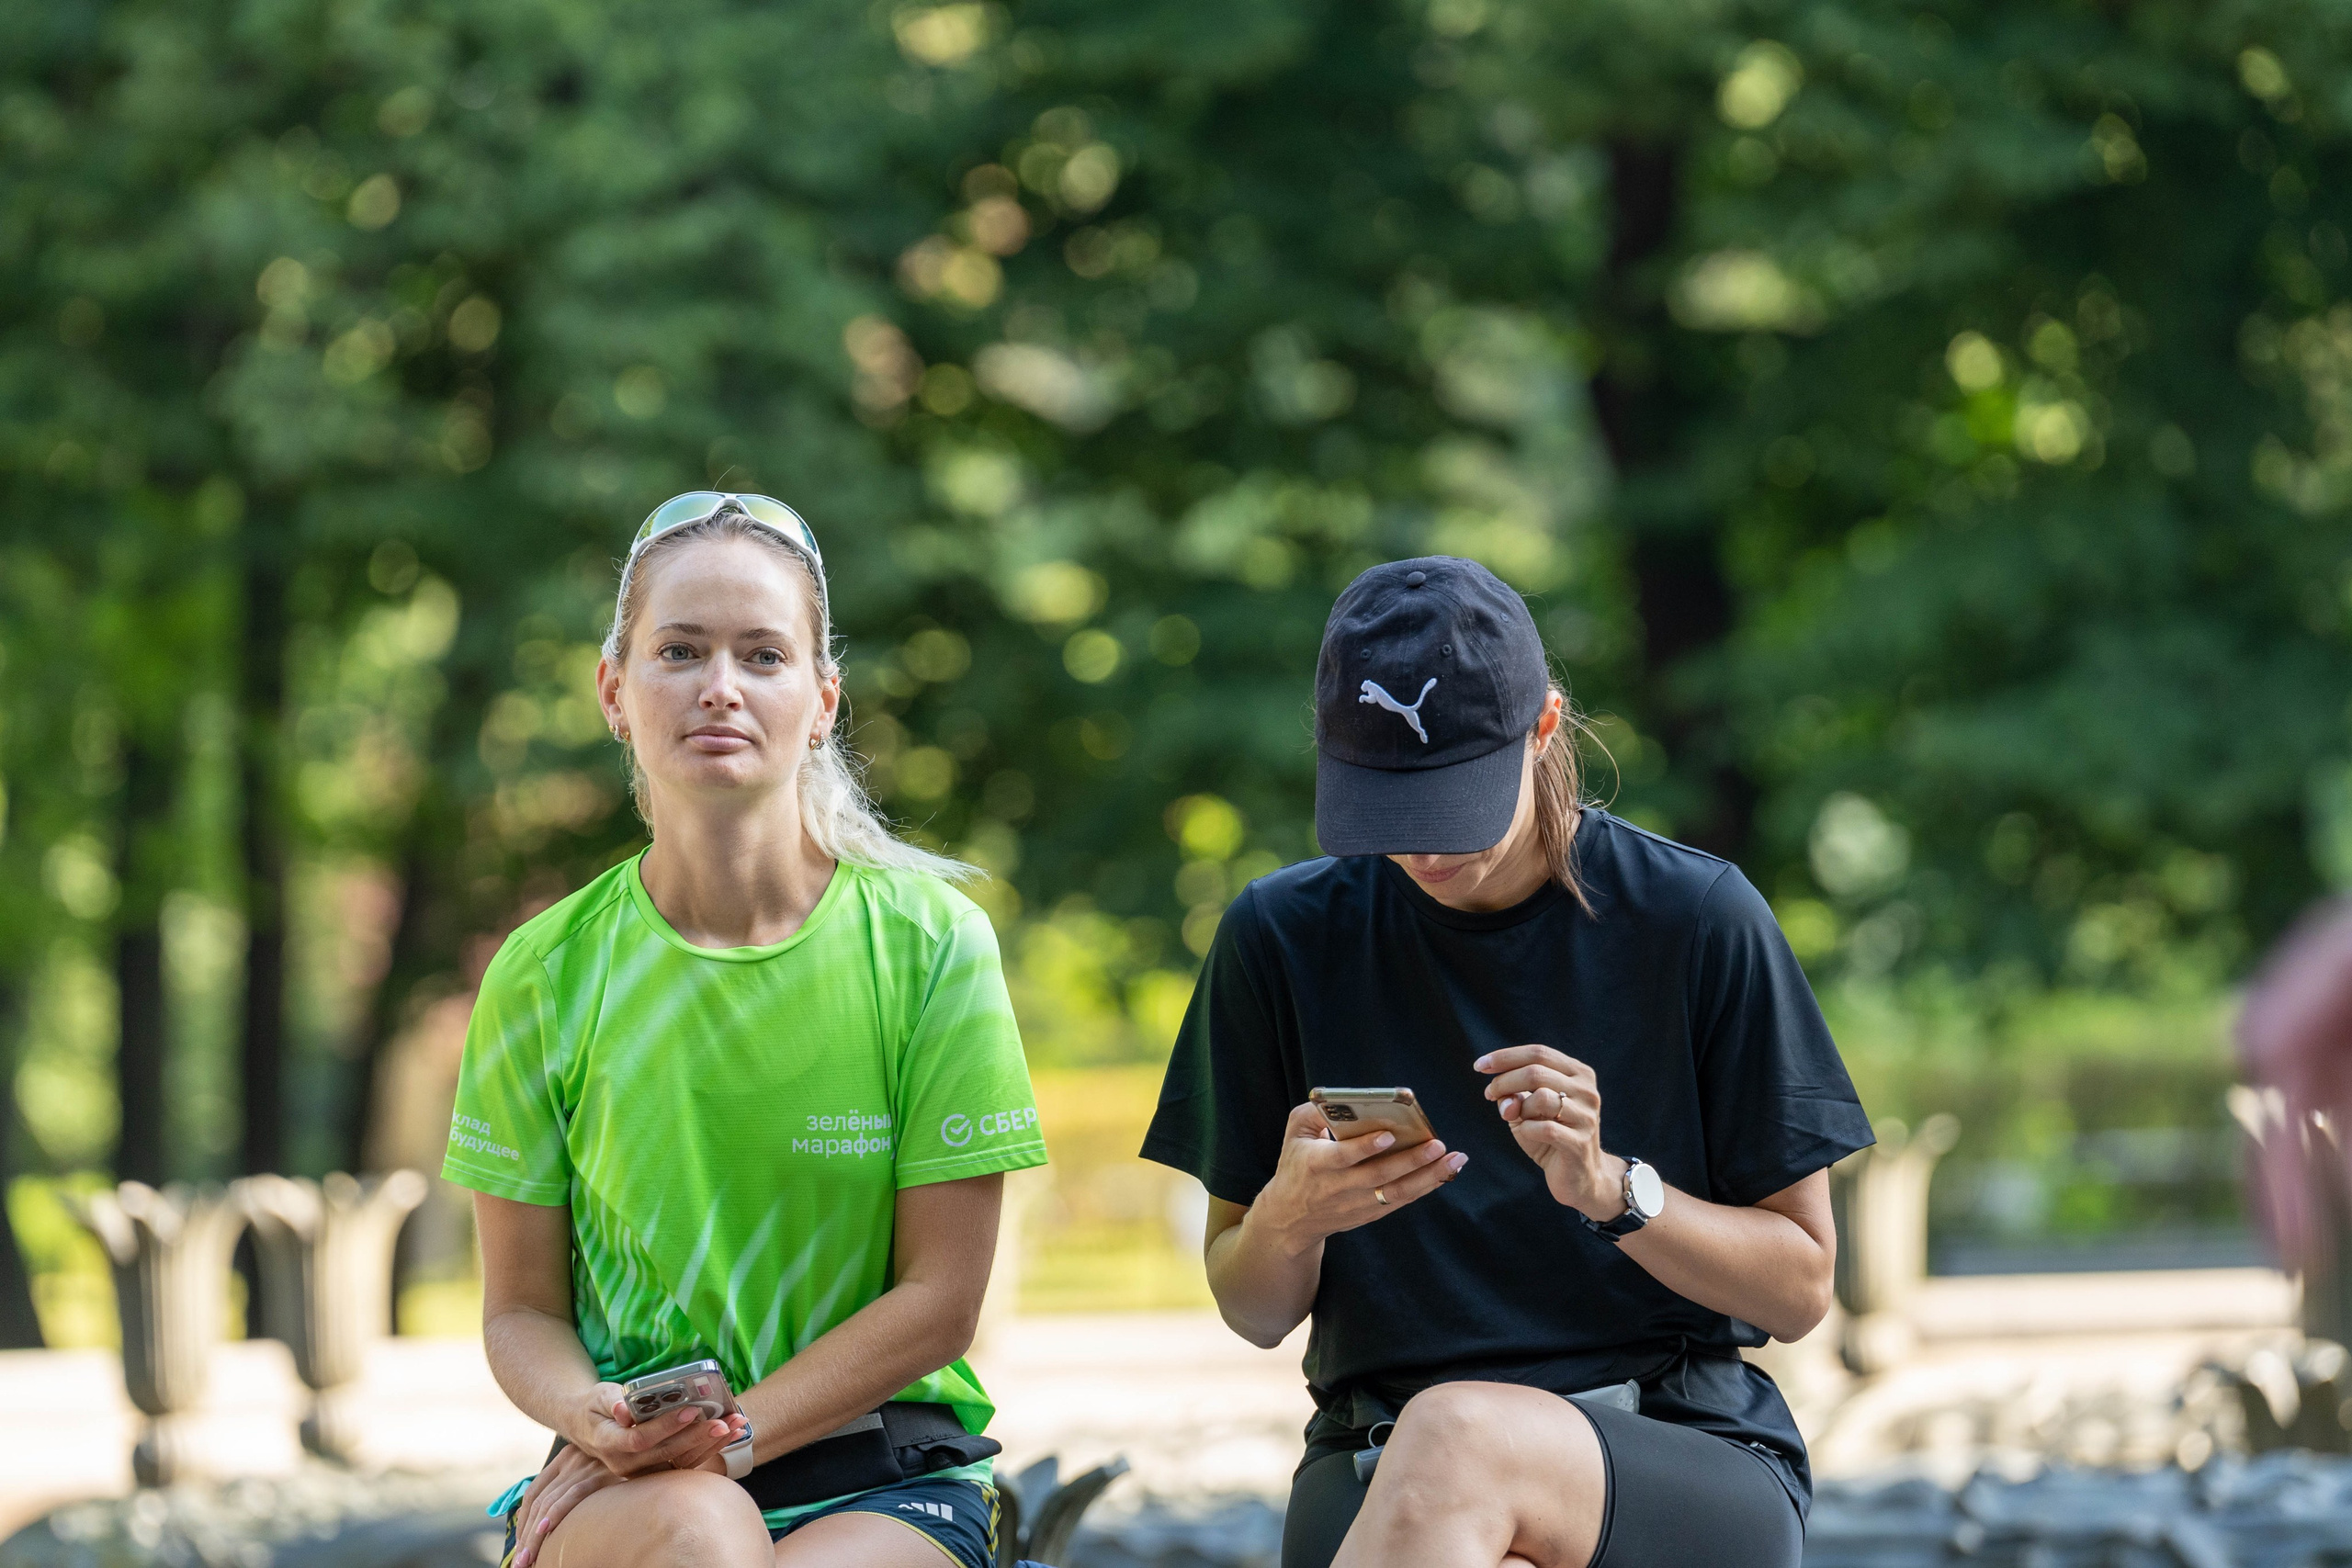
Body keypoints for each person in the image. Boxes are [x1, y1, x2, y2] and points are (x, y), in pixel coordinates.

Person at [1142, 557, 1874, 1568]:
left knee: (1459, 1436)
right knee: (1449, 1458)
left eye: (1451, 799)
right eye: (1385, 805)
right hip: (1375, 1452)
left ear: (1544, 727)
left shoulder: (1697, 920)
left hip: (1671, 1443)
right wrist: (1289, 1219)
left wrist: (1614, 1190)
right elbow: (1252, 1308)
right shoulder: (1279, 937)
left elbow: (1798, 1289)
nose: (1422, 849)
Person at [442, 493, 1047, 1568]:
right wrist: (591, 1417)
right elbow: (520, 1312)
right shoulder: (541, 973)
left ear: (821, 701)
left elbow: (941, 1301)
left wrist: (733, 1438)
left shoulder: (932, 946)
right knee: (704, 1537)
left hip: (886, 1475)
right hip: (635, 1484)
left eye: (762, 656)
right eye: (680, 650)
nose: (719, 685)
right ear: (613, 691)